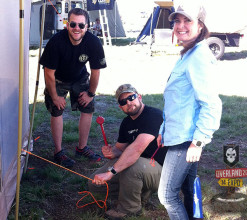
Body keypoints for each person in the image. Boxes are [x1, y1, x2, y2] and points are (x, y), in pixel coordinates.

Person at [156, 2, 222, 220]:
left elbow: (211, 104)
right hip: (178, 135)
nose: (180, 26)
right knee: (189, 191)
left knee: (166, 195)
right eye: (177, 20)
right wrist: (163, 130)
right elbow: (179, 101)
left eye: (188, 21)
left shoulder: (199, 57)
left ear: (201, 26)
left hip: (186, 141)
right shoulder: (189, 54)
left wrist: (199, 141)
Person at [39, 8, 107, 168]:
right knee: (57, 110)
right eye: (73, 24)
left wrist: (90, 93)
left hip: (79, 76)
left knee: (88, 108)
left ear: (87, 27)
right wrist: (55, 96)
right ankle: (58, 151)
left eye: (81, 25)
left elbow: (96, 71)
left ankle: (82, 147)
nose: (77, 28)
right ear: (67, 25)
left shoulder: (93, 42)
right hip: (57, 78)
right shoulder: (56, 42)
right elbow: (48, 73)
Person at [88, 84, 168, 219]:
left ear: (139, 97)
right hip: (140, 164)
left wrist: (111, 172)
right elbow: (120, 150)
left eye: (131, 97)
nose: (129, 103)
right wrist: (112, 152)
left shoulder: (154, 116)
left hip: (163, 171)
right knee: (93, 184)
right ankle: (137, 192)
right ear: (120, 107)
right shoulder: (126, 123)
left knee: (132, 168)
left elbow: (137, 148)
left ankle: (129, 209)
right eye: (123, 101)